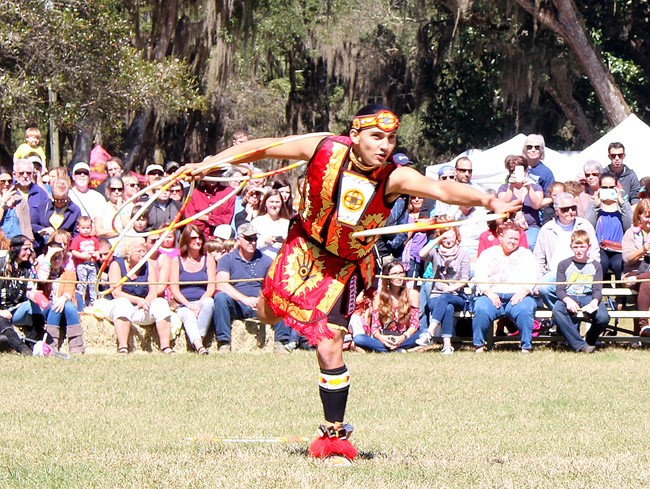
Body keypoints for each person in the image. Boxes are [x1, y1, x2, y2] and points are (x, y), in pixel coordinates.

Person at [188, 104, 519, 464]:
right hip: (302, 248)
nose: (384, 146)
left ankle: (334, 438)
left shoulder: (395, 177)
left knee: (330, 342)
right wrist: (209, 164)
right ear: (355, 134)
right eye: (376, 137)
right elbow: (266, 146)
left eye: (391, 138)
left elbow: (440, 189)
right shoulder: (323, 147)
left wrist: (487, 199)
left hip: (345, 266)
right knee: (266, 316)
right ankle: (286, 312)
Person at [472, 221, 539, 353]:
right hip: (492, 294)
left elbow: (533, 276)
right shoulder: (487, 254)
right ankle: (478, 345)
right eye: (510, 238)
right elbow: (479, 276)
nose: (513, 242)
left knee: (525, 309)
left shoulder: (526, 254)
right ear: (501, 237)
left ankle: (526, 346)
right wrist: (489, 293)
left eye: (516, 239)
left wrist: (523, 292)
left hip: (518, 295)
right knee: (481, 309)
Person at [212, 223, 275, 351]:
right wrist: (244, 299)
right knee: (220, 297)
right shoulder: (227, 259)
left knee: (280, 299)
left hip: (260, 305)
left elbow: (275, 285)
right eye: (248, 239)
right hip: (237, 305)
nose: (252, 242)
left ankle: (282, 342)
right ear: (238, 240)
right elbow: (221, 284)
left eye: (255, 239)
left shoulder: (266, 260)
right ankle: (224, 342)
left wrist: (261, 299)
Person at [107, 237, 174, 354]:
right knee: (122, 303)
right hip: (121, 308)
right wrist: (138, 300)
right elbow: (116, 293)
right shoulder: (116, 265)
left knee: (161, 303)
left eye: (144, 251)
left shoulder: (148, 265)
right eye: (139, 251)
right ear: (128, 254)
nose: (143, 254)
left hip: (142, 309)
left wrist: (146, 302)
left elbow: (153, 291)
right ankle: (123, 347)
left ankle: (166, 347)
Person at [534, 192, 599, 309]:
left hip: (581, 272)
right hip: (554, 273)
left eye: (573, 208)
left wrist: (593, 271)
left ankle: (564, 317)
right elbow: (538, 258)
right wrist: (538, 279)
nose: (570, 212)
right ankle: (562, 314)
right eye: (565, 209)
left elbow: (594, 251)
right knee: (543, 287)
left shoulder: (585, 225)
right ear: (557, 210)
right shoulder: (547, 229)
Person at [552, 230, 610, 353]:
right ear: (571, 247)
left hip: (588, 297)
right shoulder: (563, 264)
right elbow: (560, 289)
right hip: (569, 296)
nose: (579, 250)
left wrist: (595, 301)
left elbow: (597, 289)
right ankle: (579, 345)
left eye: (582, 246)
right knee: (557, 310)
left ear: (588, 247)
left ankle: (590, 339)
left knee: (603, 317)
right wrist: (567, 300)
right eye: (576, 246)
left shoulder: (596, 265)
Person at [416, 227, 471, 353]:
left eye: (451, 237)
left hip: (456, 296)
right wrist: (438, 239)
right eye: (444, 237)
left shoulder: (463, 255)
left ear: (457, 238)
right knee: (447, 307)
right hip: (436, 296)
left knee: (446, 298)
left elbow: (465, 279)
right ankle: (447, 346)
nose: (448, 240)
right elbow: (421, 254)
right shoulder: (435, 253)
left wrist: (450, 288)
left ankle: (429, 332)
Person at [348, 260, 421, 352]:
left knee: (422, 334)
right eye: (394, 274)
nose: (399, 277)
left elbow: (415, 324)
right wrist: (382, 338)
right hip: (385, 337)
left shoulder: (412, 294)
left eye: (401, 273)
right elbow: (375, 328)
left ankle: (388, 350)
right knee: (359, 338)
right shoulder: (378, 297)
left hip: (404, 336)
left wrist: (402, 337)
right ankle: (400, 351)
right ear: (387, 277)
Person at [169, 225, 214, 354]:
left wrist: (199, 304)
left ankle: (197, 341)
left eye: (200, 238)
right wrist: (189, 305)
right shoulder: (176, 261)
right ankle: (199, 346)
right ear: (186, 240)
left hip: (202, 300)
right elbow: (174, 289)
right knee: (188, 315)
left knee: (209, 303)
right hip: (183, 304)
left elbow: (211, 287)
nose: (198, 241)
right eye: (193, 238)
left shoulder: (208, 259)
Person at [583, 172, 632, 289]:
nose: (608, 190)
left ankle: (621, 299)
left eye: (611, 187)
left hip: (619, 248)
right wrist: (596, 206)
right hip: (600, 247)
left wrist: (621, 201)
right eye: (605, 187)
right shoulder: (593, 205)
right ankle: (600, 293)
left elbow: (629, 225)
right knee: (602, 263)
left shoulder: (623, 206)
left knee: (619, 264)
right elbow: (587, 226)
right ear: (599, 188)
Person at [36, 243, 86, 354]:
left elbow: (70, 290)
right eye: (53, 257)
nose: (57, 260)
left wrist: (63, 298)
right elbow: (42, 279)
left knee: (69, 305)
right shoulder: (40, 270)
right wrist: (47, 259)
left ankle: (76, 346)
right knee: (55, 305)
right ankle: (51, 343)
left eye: (59, 257)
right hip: (45, 307)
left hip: (64, 307)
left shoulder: (69, 273)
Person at [497, 155, 543, 250]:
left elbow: (537, 205)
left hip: (531, 227)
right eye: (511, 171)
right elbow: (502, 205)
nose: (514, 173)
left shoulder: (535, 187)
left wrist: (529, 188)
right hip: (509, 226)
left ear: (525, 171)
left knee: (529, 243)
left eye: (518, 170)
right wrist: (511, 187)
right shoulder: (504, 188)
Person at [621, 199, 650, 336]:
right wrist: (643, 250)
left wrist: (637, 278)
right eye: (647, 216)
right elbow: (627, 259)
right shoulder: (630, 233)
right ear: (639, 216)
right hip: (633, 271)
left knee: (646, 282)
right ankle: (642, 327)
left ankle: (642, 327)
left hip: (638, 277)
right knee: (646, 282)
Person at [13, 158, 52, 250]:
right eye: (21, 173)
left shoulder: (41, 194)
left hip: (36, 244)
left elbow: (45, 220)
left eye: (29, 173)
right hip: (13, 243)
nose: (25, 176)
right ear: (14, 174)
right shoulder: (9, 193)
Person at [250, 189, 291, 258]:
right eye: (271, 202)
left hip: (281, 262)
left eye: (277, 202)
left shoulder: (287, 224)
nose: (274, 205)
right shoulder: (256, 222)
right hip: (260, 261)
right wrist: (265, 242)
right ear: (265, 203)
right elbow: (248, 244)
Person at [69, 216, 100, 307]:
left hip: (92, 264)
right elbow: (74, 251)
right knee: (82, 283)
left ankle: (93, 302)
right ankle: (80, 302)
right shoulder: (77, 239)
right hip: (82, 264)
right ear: (78, 228)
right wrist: (83, 256)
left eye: (88, 228)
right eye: (83, 228)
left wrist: (96, 255)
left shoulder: (94, 239)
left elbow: (97, 250)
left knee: (93, 283)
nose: (86, 230)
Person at [0, 167, 21, 239]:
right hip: (3, 241)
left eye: (9, 181)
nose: (6, 184)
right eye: (2, 181)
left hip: (17, 239)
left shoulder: (17, 197)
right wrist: (3, 203)